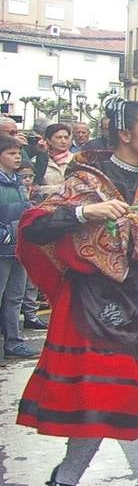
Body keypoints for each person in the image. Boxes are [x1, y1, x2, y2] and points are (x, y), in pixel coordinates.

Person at [17, 97, 138, 486]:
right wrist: (82, 212)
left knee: (107, 406)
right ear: (124, 134)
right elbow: (34, 226)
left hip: (135, 306)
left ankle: (62, 485)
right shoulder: (84, 181)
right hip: (88, 304)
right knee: (90, 405)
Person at [0, 135, 37, 359]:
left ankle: (13, 342)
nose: (17, 157)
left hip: (19, 248)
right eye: (11, 153)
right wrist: (4, 235)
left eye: (18, 153)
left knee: (15, 298)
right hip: (3, 248)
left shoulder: (17, 181)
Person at [35, 122, 76, 198]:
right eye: (59, 137)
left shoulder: (77, 160)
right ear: (49, 140)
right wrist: (61, 189)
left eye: (66, 137)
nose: (63, 141)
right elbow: (34, 188)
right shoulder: (37, 161)